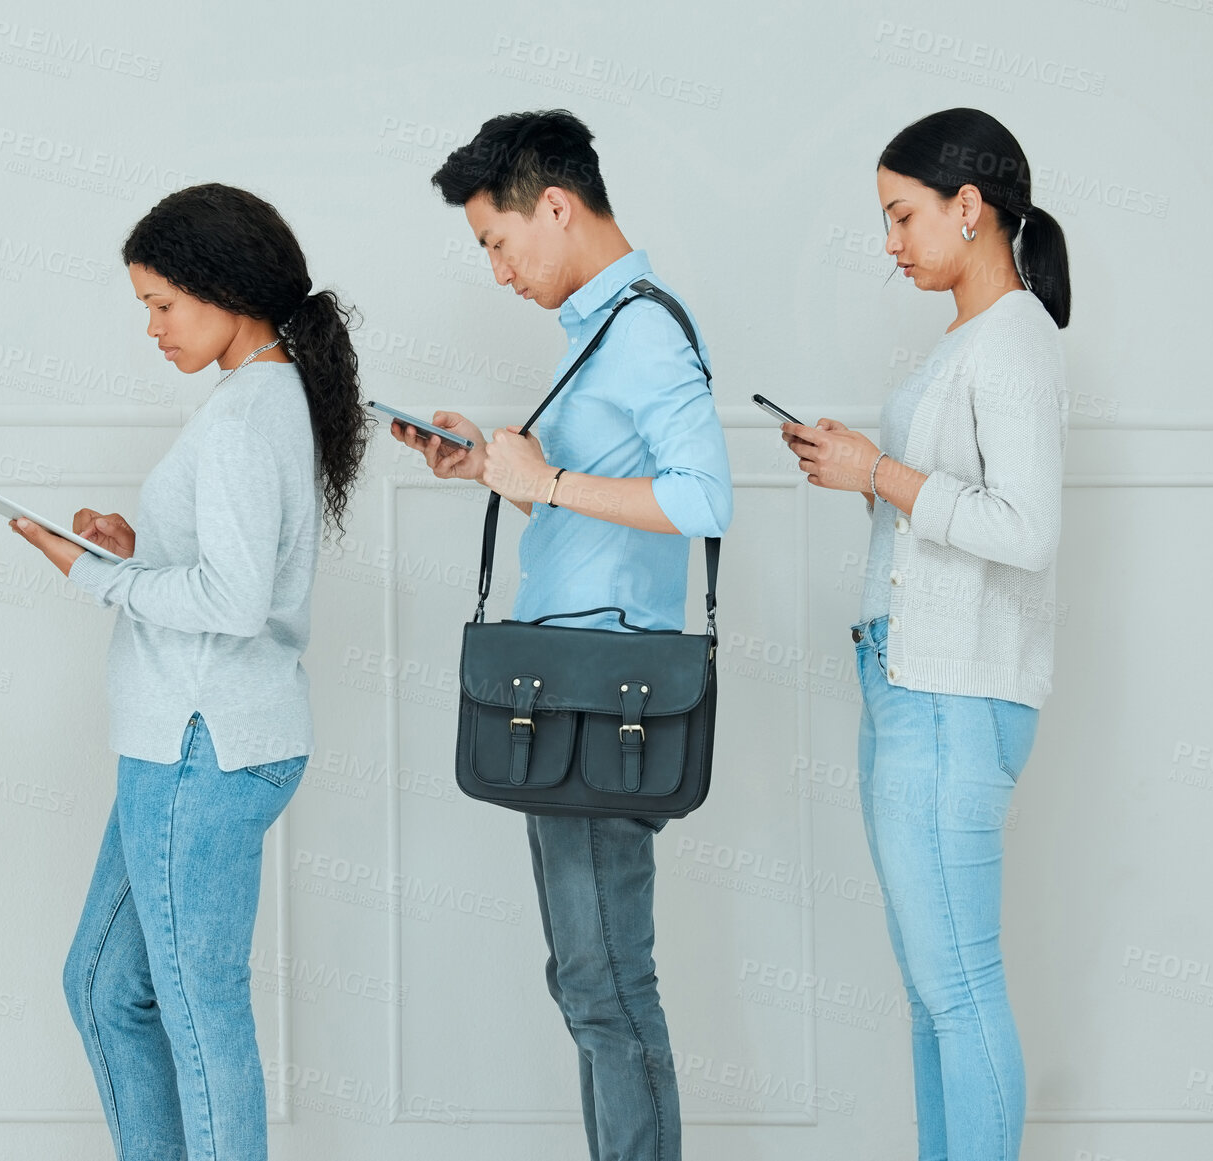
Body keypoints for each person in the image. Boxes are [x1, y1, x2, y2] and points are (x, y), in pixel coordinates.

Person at [395, 109, 732, 1161]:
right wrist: (496, 470)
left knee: (605, 985)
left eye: (495, 242)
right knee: (586, 982)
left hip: (604, 703)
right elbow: (604, 511)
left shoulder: (642, 328)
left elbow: (702, 496)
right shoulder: (599, 332)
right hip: (574, 695)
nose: (496, 272)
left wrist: (541, 478)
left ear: (555, 205)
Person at [9, 183, 369, 1161]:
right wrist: (133, 549)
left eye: (162, 304)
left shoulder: (253, 412)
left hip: (201, 746)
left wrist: (94, 576)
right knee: (100, 984)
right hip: (181, 746)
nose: (152, 328)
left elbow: (234, 603)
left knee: (198, 1011)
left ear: (226, 288)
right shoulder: (252, 396)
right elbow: (225, 568)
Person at [781, 107, 1070, 1161]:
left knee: (957, 989)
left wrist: (880, 474)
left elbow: (1024, 532)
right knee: (931, 987)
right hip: (908, 683)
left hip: (948, 694)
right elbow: (940, 517)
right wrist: (861, 469)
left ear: (967, 206)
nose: (890, 243)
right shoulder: (967, 343)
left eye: (900, 217)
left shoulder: (1013, 341)